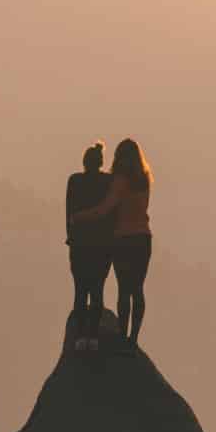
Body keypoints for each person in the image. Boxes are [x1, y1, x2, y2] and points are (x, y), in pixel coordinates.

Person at [72, 137, 152, 349]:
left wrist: (81, 216)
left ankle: (122, 336)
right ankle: (133, 339)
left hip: (123, 239)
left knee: (124, 290)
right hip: (143, 239)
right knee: (138, 289)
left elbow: (104, 210)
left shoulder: (119, 182)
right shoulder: (145, 180)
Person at [65, 140, 114, 350]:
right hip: (102, 245)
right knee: (97, 291)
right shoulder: (108, 182)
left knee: (80, 291)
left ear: (84, 162)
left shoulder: (74, 181)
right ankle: (93, 337)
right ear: (101, 162)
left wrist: (70, 237)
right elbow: (112, 214)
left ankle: (79, 338)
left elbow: (69, 214)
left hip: (79, 245)